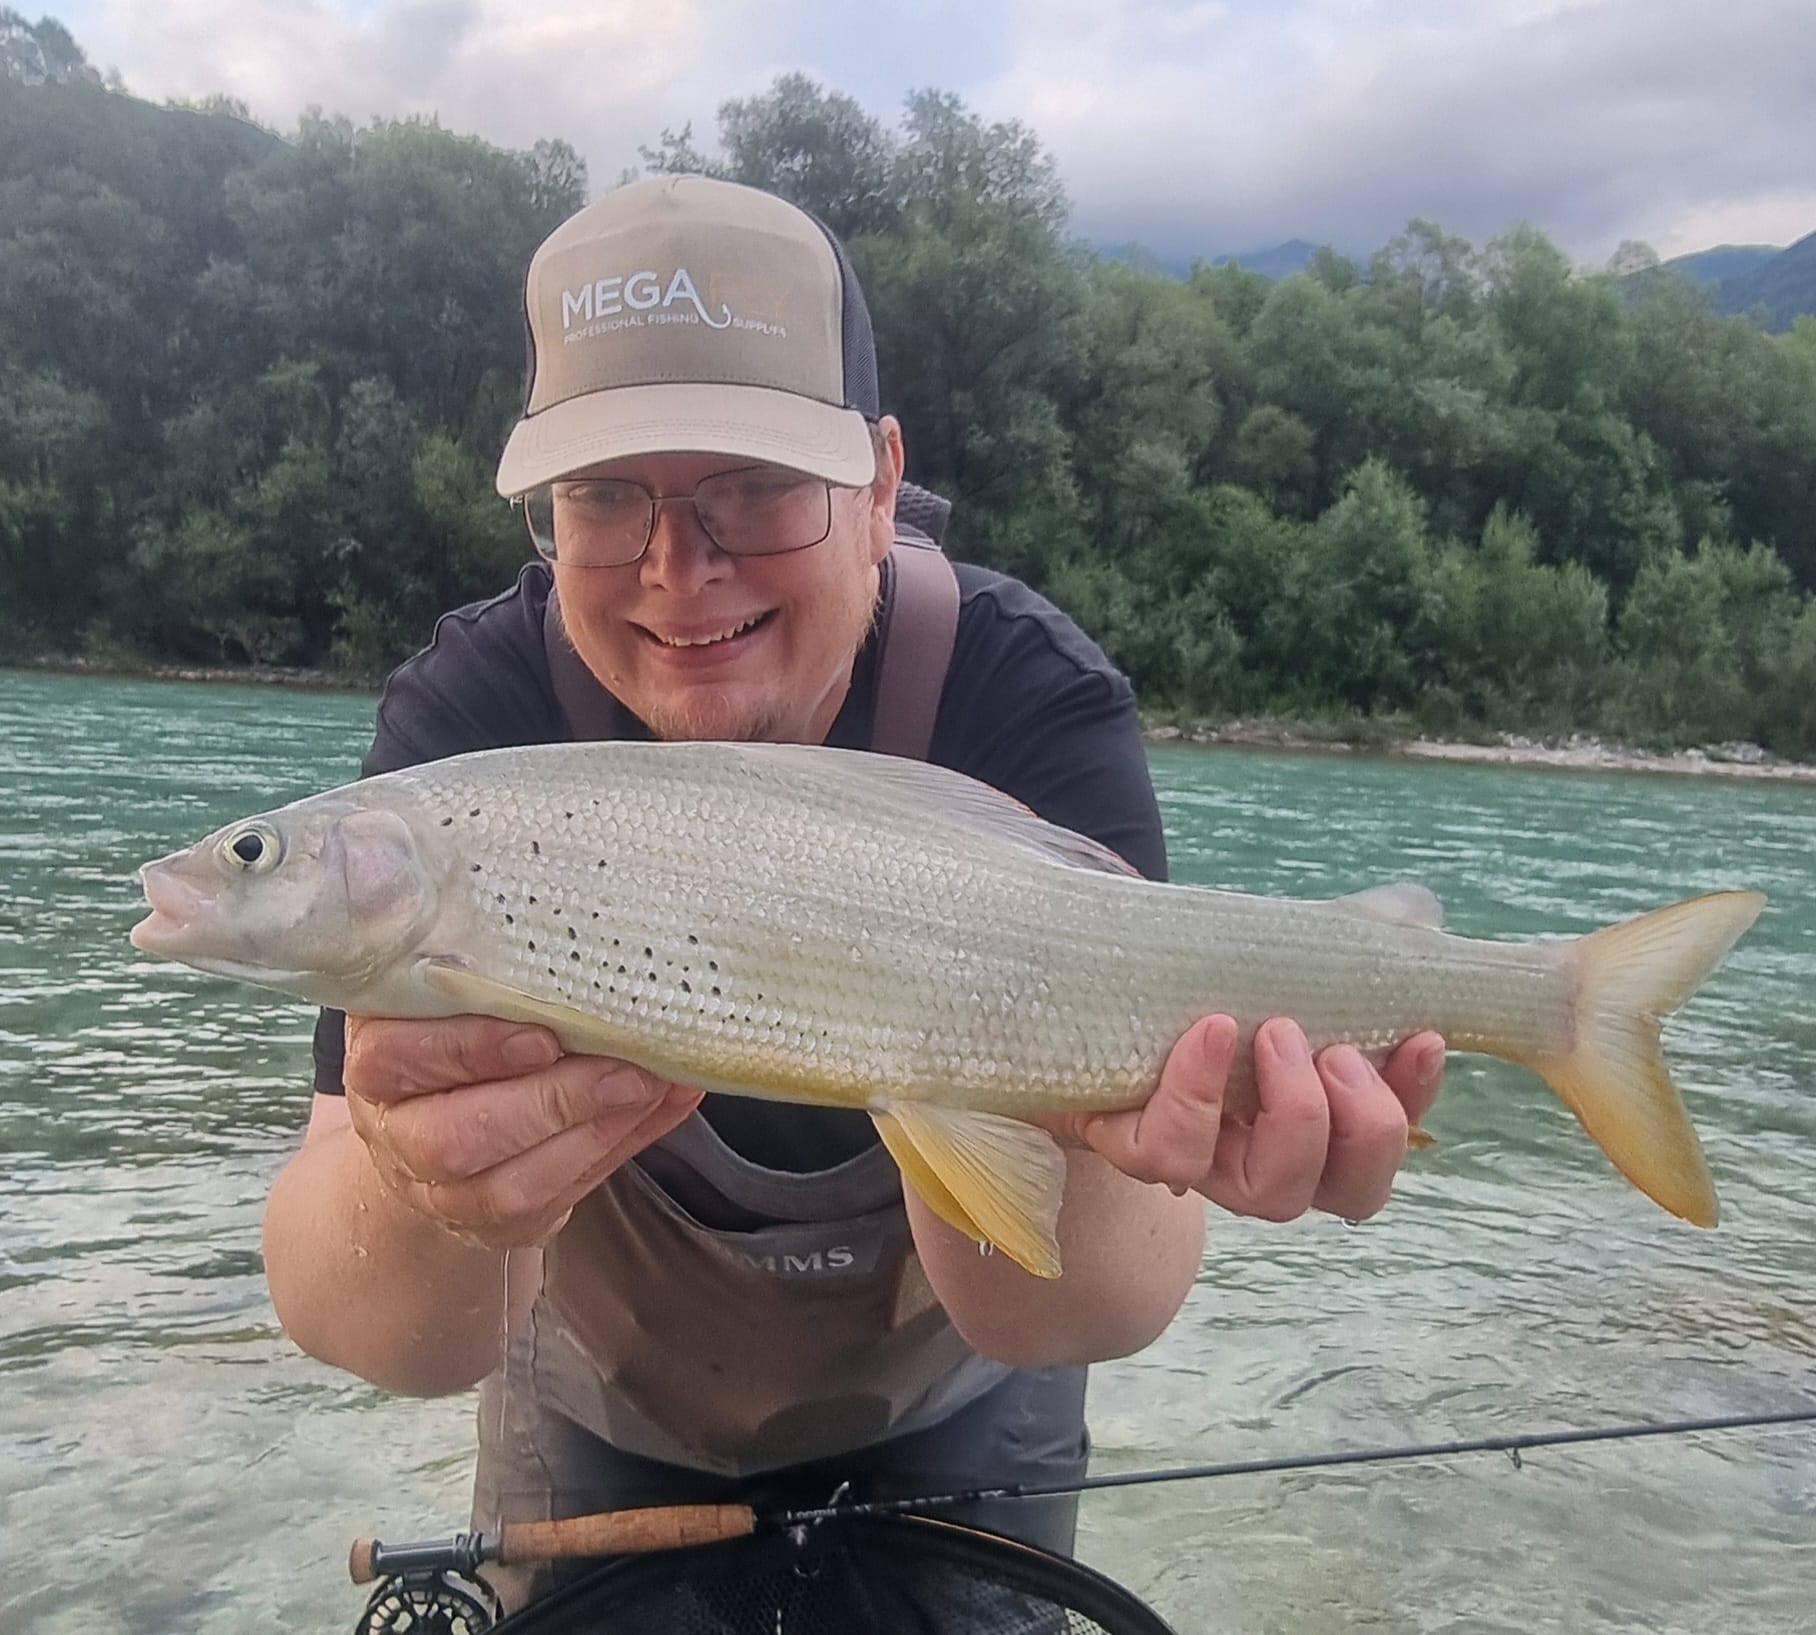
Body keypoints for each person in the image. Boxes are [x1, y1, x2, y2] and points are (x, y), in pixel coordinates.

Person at [260, 175, 1445, 1615]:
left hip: (962, 1404)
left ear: (883, 486)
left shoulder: (1021, 693)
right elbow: (368, 1327)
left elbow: (1085, 1304)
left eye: (753, 489)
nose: (677, 573)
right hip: (602, 1420)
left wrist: (1094, 1125)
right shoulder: (474, 732)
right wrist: (425, 1188)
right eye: (602, 498)